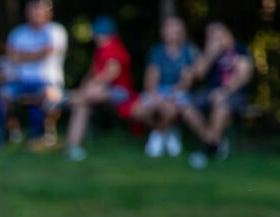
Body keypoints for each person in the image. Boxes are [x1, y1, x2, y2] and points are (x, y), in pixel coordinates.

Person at [0, 0, 67, 150]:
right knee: (3, 94)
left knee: (46, 95)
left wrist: (23, 56)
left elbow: (48, 52)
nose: (36, 13)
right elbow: (13, 57)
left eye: (40, 10)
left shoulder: (55, 31)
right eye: (33, 10)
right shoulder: (18, 32)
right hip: (21, 81)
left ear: (48, 12)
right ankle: (11, 134)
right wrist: (37, 53)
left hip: (49, 82)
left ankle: (44, 134)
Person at [63, 16, 136, 162]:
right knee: (82, 105)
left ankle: (67, 98)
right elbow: (92, 75)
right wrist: (87, 86)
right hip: (102, 92)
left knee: (84, 97)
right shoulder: (100, 50)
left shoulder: (113, 46)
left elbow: (111, 73)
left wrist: (88, 88)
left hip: (121, 93)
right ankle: (72, 147)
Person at [182, 21, 252, 164]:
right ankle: (215, 143)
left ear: (228, 34)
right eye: (211, 37)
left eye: (218, 35)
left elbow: (244, 77)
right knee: (187, 108)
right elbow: (199, 74)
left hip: (235, 93)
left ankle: (206, 150)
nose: (216, 39)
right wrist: (210, 55)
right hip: (210, 92)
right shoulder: (210, 53)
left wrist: (225, 91)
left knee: (221, 107)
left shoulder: (239, 49)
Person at [129, 16, 198, 158]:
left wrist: (171, 96)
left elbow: (186, 82)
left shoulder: (189, 52)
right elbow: (150, 81)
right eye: (169, 29)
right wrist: (157, 97)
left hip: (179, 94)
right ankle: (165, 131)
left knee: (170, 110)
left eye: (175, 29)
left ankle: (157, 138)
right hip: (158, 92)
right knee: (137, 111)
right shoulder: (156, 52)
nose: (172, 32)